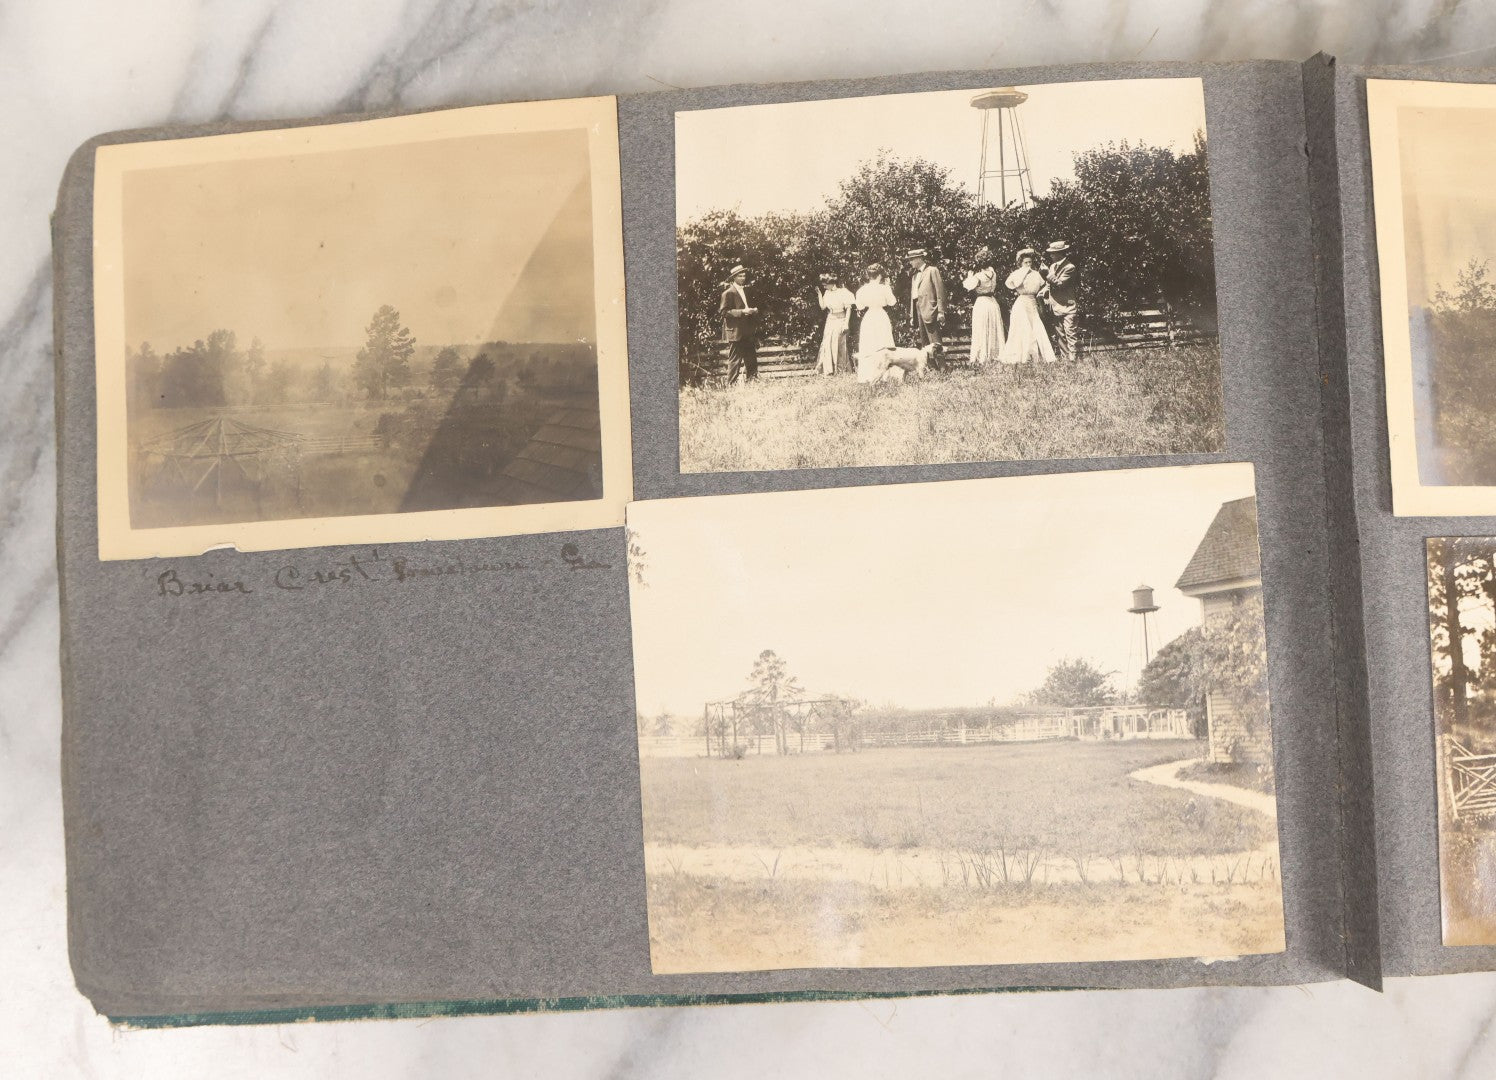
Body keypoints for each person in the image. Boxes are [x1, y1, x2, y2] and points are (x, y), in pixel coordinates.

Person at [999, 248, 1057, 365]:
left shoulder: (1036, 274)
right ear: (1021, 263)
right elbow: (1012, 284)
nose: (1028, 265)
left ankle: (1036, 356)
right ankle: (1022, 356)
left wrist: (1043, 291)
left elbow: (1044, 285)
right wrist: (1023, 273)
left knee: (1035, 326)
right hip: (1021, 303)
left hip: (1032, 302)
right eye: (1026, 262)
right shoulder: (1016, 274)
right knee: (1022, 327)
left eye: (1030, 262)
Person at [854, 263, 898, 382]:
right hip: (880, 316)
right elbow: (892, 302)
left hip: (869, 318)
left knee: (869, 345)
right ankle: (885, 376)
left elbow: (859, 306)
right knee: (883, 344)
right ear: (879, 275)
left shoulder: (862, 290)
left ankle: (868, 376)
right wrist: (888, 287)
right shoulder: (884, 288)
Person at [961, 246, 1005, 366]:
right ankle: (993, 355)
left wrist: (969, 276)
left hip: (982, 303)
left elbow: (967, 286)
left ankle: (982, 357)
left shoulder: (978, 276)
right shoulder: (993, 273)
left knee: (981, 329)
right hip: (992, 302)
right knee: (993, 327)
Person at [718, 264, 760, 384]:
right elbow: (724, 312)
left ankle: (753, 384)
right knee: (735, 360)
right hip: (736, 332)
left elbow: (746, 307)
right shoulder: (728, 293)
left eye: (744, 275)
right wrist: (742, 312)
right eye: (740, 276)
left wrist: (753, 310)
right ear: (734, 278)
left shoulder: (746, 291)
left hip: (747, 330)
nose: (743, 278)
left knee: (751, 359)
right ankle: (730, 385)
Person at [905, 248, 947, 364]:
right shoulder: (914, 276)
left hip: (931, 310)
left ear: (918, 259)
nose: (910, 263)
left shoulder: (932, 271)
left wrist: (941, 311)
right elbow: (914, 297)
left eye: (912, 260)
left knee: (935, 341)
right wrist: (913, 314)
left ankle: (942, 367)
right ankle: (931, 367)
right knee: (924, 342)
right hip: (919, 309)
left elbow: (940, 291)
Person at [1042, 240, 1080, 361]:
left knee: (1070, 332)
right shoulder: (1053, 266)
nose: (1051, 255)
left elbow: (1060, 284)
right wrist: (1044, 292)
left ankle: (1073, 358)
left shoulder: (1070, 267)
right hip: (1056, 305)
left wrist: (1047, 273)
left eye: (1053, 253)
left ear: (1060, 253)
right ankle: (1065, 358)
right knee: (1060, 334)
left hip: (1068, 306)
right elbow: (1049, 284)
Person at [815, 272, 856, 375]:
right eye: (823, 285)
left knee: (838, 344)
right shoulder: (827, 293)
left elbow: (848, 308)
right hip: (830, 319)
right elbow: (823, 307)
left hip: (840, 319)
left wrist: (846, 323)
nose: (824, 287)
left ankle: (841, 370)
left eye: (825, 284)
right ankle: (829, 370)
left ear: (832, 283)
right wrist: (819, 294)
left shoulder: (843, 292)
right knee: (827, 343)